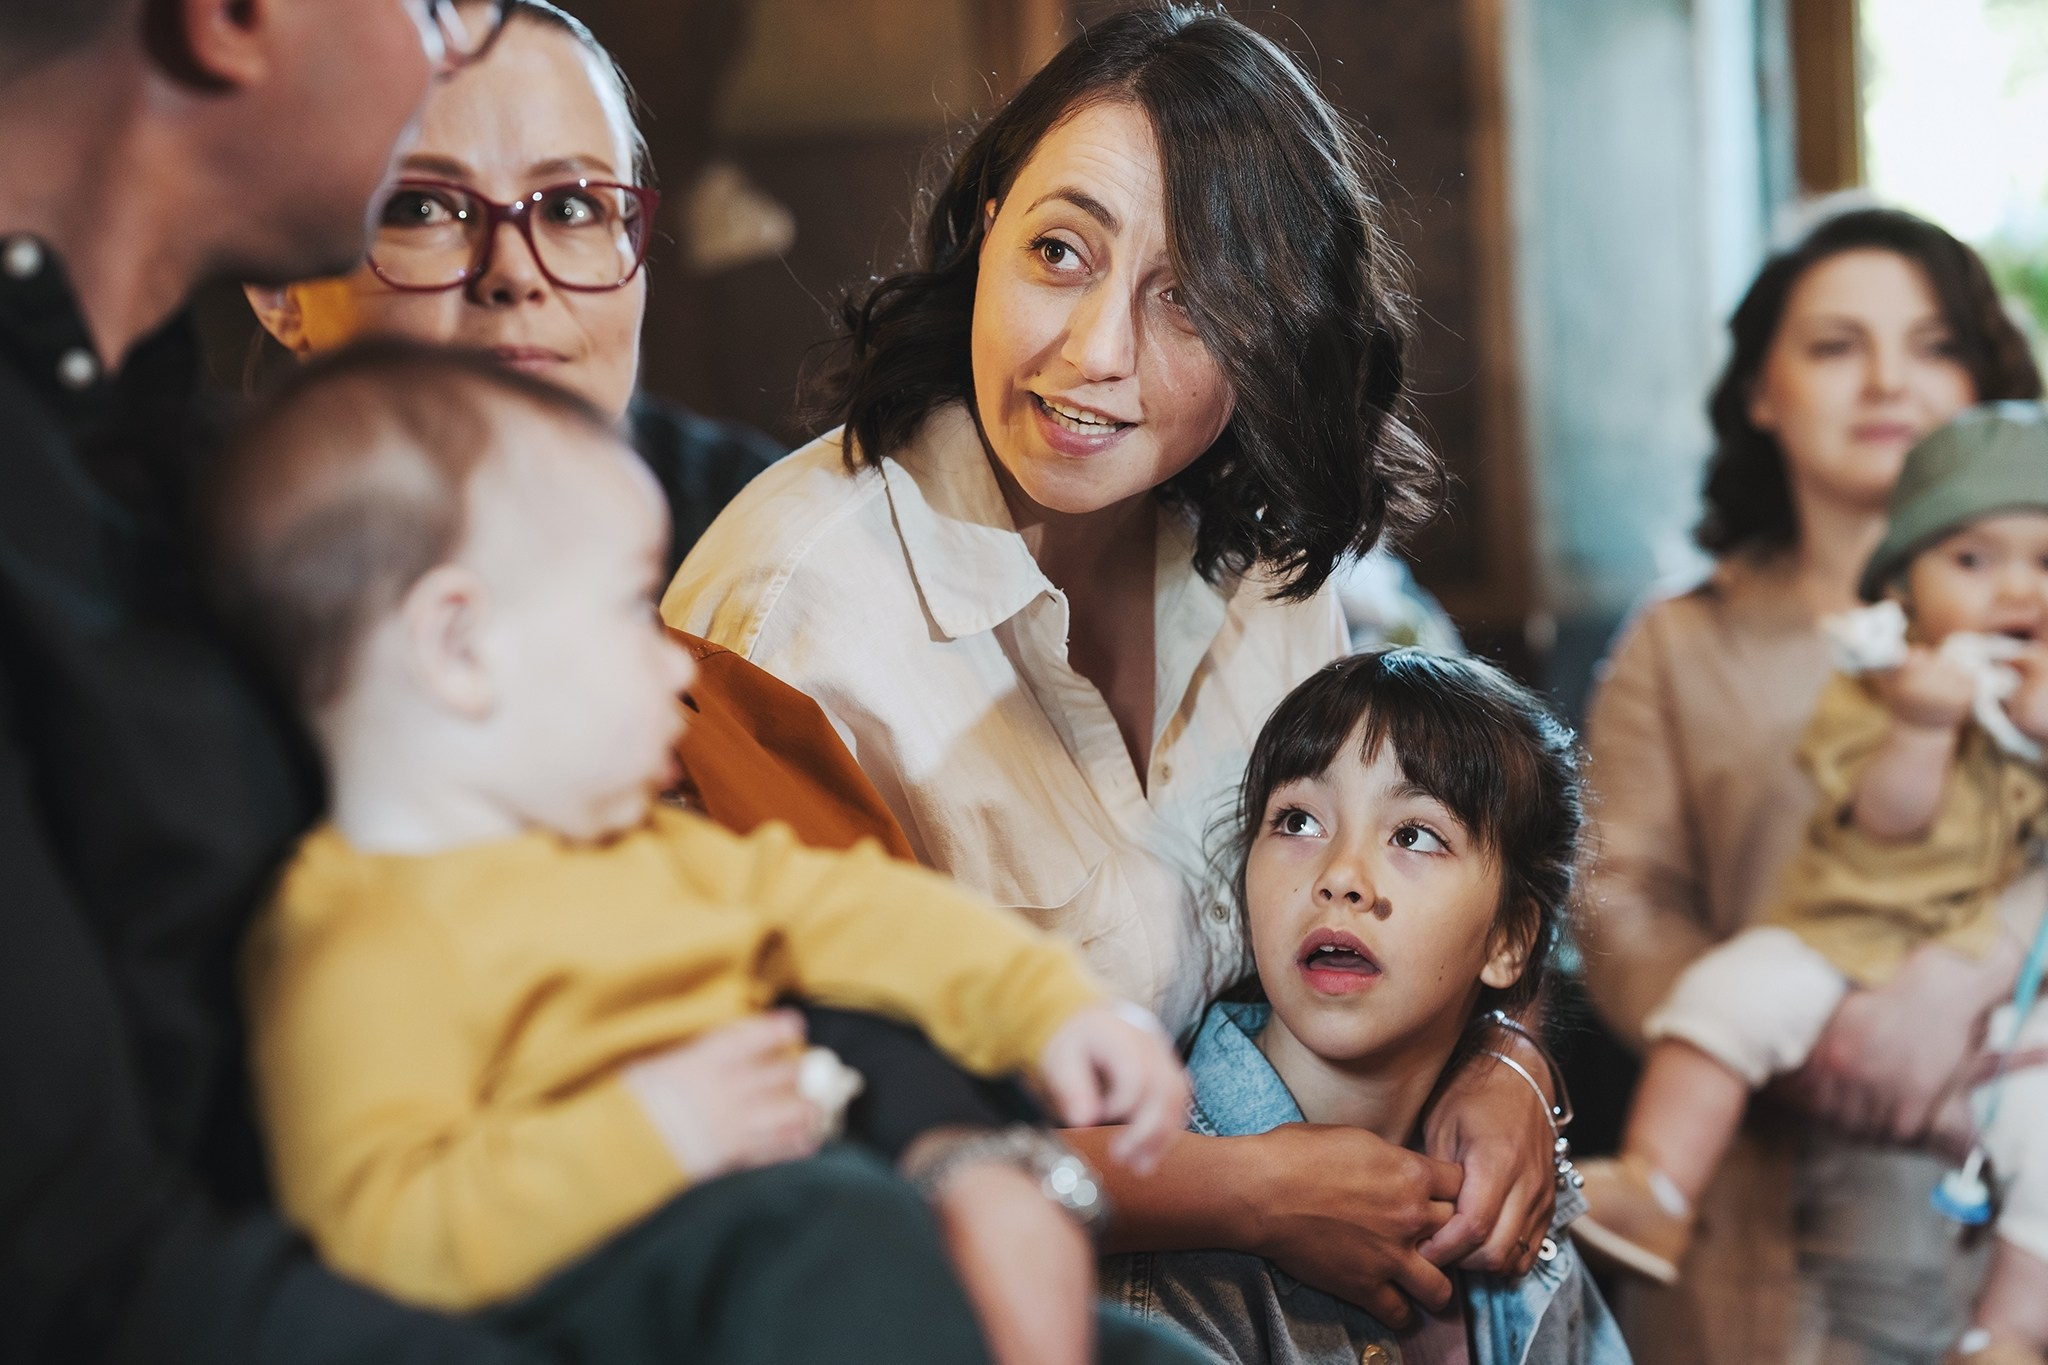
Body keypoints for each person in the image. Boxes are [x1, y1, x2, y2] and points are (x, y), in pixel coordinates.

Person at [667, 2, 1566, 1325]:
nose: (1093, 353)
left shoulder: (1260, 563)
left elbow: (1417, 860)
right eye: (1059, 251)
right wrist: (1238, 1191)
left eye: (1192, 299)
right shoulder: (795, 613)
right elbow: (807, 1116)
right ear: (985, 233)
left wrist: (1508, 1055)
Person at [206, 341, 1202, 1365]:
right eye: (630, 614)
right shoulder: (355, 931)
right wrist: (654, 1130)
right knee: (833, 1227)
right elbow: (378, 1236)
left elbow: (858, 911)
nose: (676, 667)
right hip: (634, 1294)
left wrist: (1052, 1009)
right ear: (458, 648)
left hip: (830, 1260)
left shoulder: (642, 849)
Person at [0, 2, 568, 1361]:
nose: (450, 54)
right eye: (436, 6)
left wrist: (957, 1155)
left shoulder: (189, 450)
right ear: (234, 19)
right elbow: (74, 1262)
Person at [1578, 207, 2045, 1364]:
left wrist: (1968, 973)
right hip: (1748, 1220)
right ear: (1760, 390)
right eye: (1835, 345)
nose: (1888, 379)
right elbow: (1615, 899)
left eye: (1933, 345)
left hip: (1996, 1168)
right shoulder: (1680, 641)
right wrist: (1799, 1040)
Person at [1104, 650, 1629, 1365]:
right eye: (1296, 821)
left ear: (1508, 940)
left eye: (1414, 834)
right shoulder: (1161, 1244)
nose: (1341, 877)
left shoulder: (1515, 1200)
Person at [243, 0, 778, 577]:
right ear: (279, 286)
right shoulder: (172, 586)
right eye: (420, 208)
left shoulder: (757, 535)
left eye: (572, 207)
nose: (515, 272)